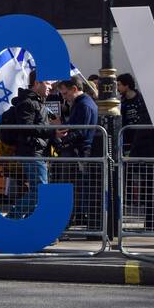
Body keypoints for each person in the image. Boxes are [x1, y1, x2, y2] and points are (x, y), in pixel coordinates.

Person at [55, 75, 100, 230]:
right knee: (74, 189)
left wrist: (62, 140)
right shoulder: (82, 103)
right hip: (78, 151)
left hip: (77, 152)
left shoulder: (83, 105)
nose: (64, 97)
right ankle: (70, 219)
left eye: (65, 93)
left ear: (75, 89)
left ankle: (66, 221)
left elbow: (80, 130)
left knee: (71, 188)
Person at [117, 73, 154, 231]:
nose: (117, 88)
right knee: (150, 186)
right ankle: (152, 220)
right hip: (138, 147)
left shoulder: (142, 101)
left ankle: (152, 220)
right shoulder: (124, 102)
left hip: (145, 149)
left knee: (152, 187)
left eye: (119, 84)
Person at [7, 74, 52, 220]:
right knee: (41, 191)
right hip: (32, 151)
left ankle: (32, 223)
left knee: (37, 190)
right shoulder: (28, 102)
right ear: (37, 83)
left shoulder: (38, 102)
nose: (50, 87)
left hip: (37, 151)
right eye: (48, 83)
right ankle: (12, 217)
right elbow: (27, 127)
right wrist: (52, 131)